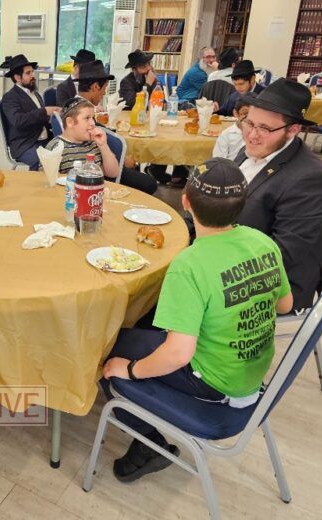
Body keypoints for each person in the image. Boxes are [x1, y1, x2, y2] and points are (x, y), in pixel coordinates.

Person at [102, 158, 293, 483]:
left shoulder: (189, 264)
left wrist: (130, 369)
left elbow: (178, 354)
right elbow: (285, 304)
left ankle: (148, 444)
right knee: (142, 332)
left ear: (186, 202)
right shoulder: (263, 242)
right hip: (250, 372)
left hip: (213, 383)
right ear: (243, 203)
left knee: (107, 349)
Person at [235, 78, 322, 311]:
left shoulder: (311, 180)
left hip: (275, 283)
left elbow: (282, 254)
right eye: (249, 122)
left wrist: (209, 262)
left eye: (265, 128)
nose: (251, 135)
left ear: (293, 130)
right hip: (233, 250)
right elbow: (221, 198)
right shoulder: (255, 147)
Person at [75, 60, 158, 194]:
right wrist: (122, 159)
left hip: (97, 160)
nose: (104, 93)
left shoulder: (75, 106)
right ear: (95, 87)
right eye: (104, 88)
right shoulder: (82, 114)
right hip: (95, 166)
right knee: (150, 183)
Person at [0, 54, 60, 170]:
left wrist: (54, 117)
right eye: (28, 73)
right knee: (43, 162)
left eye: (32, 71)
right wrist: (44, 112)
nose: (33, 75)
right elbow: (18, 120)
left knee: (65, 153)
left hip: (44, 140)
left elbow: (41, 117)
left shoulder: (35, 94)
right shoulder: (10, 97)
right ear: (17, 78)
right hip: (25, 144)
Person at [47, 97, 119, 179]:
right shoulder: (55, 147)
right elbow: (46, 179)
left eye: (93, 118)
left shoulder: (94, 143)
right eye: (87, 118)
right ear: (70, 122)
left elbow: (113, 173)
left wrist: (103, 146)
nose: (93, 123)